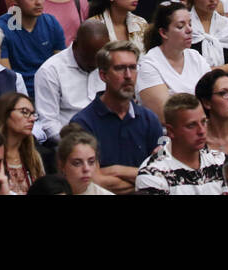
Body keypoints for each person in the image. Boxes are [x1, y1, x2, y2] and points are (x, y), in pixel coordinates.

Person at [68, 39, 164, 193]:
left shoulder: (149, 119)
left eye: (132, 68)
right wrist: (146, 178)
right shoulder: (82, 124)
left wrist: (116, 170)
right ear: (103, 75)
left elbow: (164, 175)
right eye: (120, 68)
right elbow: (93, 180)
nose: (128, 76)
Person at [134, 92, 226, 195]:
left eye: (203, 122)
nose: (201, 131)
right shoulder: (152, 173)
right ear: (171, 131)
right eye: (191, 125)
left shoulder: (220, 161)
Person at [137, 0, 213, 116]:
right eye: (180, 26)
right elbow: (164, 114)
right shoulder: (148, 64)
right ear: (163, 32)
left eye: (190, 24)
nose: (189, 30)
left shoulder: (195, 57)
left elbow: (213, 96)